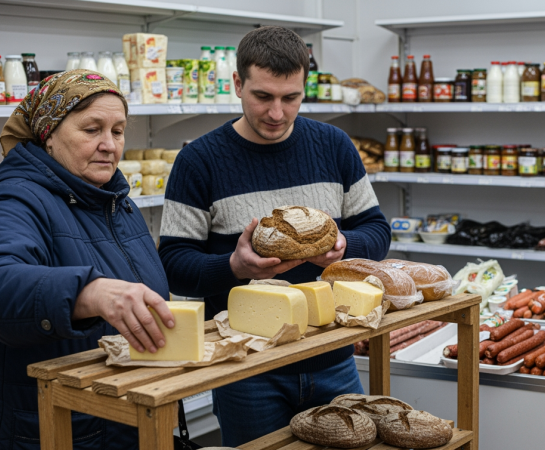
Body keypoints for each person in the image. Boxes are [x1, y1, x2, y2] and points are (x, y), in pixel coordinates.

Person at [159, 26, 391, 446]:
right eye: (263, 96)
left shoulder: (334, 145)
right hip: (246, 371)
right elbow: (173, 263)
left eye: (291, 98)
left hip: (333, 356)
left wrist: (343, 247)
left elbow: (377, 229)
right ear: (237, 84)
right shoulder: (198, 161)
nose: (277, 113)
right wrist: (233, 266)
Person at [0, 70, 174, 449]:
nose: (109, 145)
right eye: (91, 129)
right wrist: (88, 292)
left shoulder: (114, 201)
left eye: (117, 131)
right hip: (55, 428)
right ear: (48, 134)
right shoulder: (16, 199)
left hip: (121, 419)